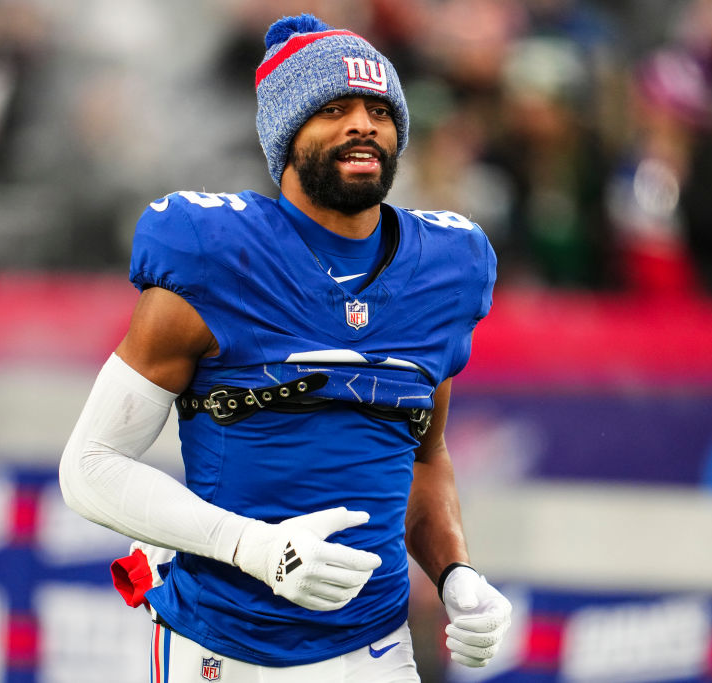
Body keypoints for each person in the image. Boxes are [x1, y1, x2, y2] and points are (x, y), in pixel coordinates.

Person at [59, 13, 511, 682]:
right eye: (334, 108)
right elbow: (90, 465)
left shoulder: (447, 269)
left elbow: (422, 454)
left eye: (378, 109)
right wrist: (251, 545)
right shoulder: (215, 256)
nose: (363, 123)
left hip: (374, 645)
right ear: (285, 132)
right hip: (222, 643)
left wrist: (454, 572)